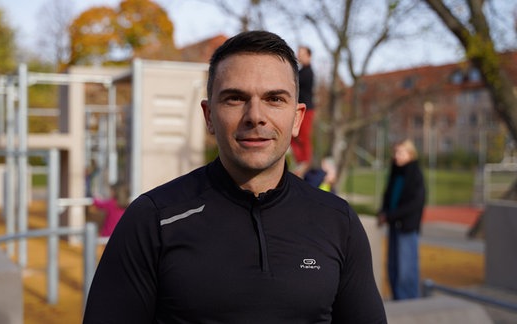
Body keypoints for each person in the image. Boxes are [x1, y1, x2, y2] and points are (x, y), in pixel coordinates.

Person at [83, 30, 386, 323]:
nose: (255, 116)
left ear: (297, 119)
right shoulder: (153, 219)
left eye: (274, 99)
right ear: (209, 117)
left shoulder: (337, 222)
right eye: (235, 98)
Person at [377, 139, 426, 300]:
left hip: (406, 227)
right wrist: (384, 211)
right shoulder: (395, 171)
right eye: (395, 152)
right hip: (394, 225)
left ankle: (409, 301)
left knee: (406, 269)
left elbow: (415, 203)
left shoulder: (415, 173)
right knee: (393, 267)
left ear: (410, 154)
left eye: (401, 152)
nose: (397, 156)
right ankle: (397, 298)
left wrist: (391, 215)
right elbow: (388, 195)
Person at [290, 45, 315, 178]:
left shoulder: (308, 72)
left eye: (302, 53)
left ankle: (305, 163)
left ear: (309, 56)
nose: (299, 56)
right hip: (296, 108)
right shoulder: (300, 72)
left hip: (307, 109)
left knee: (303, 136)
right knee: (292, 136)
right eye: (298, 53)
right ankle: (300, 161)